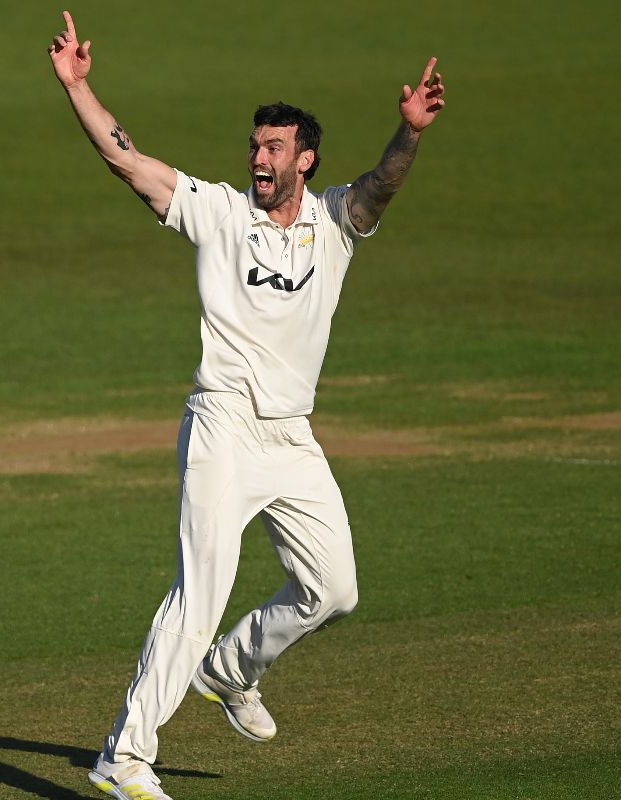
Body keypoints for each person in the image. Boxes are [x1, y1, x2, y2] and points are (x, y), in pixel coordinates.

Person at [48, 10, 445, 800]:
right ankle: (125, 755)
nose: (259, 159)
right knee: (200, 593)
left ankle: (230, 669)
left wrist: (408, 135)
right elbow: (132, 164)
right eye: (254, 146)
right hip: (223, 426)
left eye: (273, 148)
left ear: (305, 158)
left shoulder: (334, 221)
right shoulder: (221, 213)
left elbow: (383, 184)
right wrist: (78, 87)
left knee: (333, 589)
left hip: (291, 437)